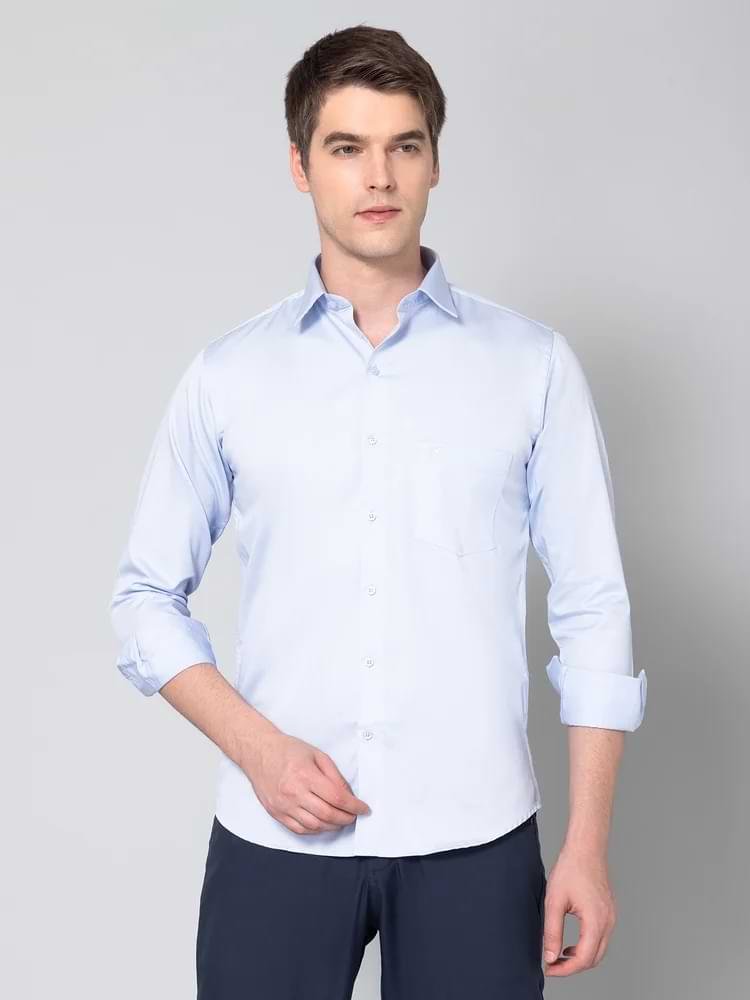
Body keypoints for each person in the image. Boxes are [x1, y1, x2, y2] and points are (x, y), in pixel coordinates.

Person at [109, 23, 648, 1000]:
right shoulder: (229, 376)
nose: (378, 176)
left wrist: (587, 843)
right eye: (346, 147)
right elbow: (144, 598)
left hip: (476, 839)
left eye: (404, 144)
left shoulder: (532, 367)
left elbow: (593, 605)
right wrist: (258, 750)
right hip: (276, 833)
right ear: (300, 165)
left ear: (435, 160)